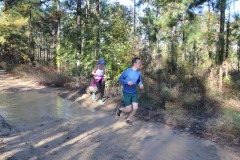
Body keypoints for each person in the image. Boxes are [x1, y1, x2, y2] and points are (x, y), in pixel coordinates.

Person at [116, 57, 144, 126]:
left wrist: (141, 84)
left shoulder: (139, 72)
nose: (140, 64)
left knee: (135, 108)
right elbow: (120, 79)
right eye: (139, 62)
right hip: (126, 92)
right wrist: (127, 82)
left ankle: (128, 120)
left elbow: (139, 80)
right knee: (128, 109)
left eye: (140, 62)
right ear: (134, 63)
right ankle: (120, 109)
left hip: (134, 92)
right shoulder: (127, 71)